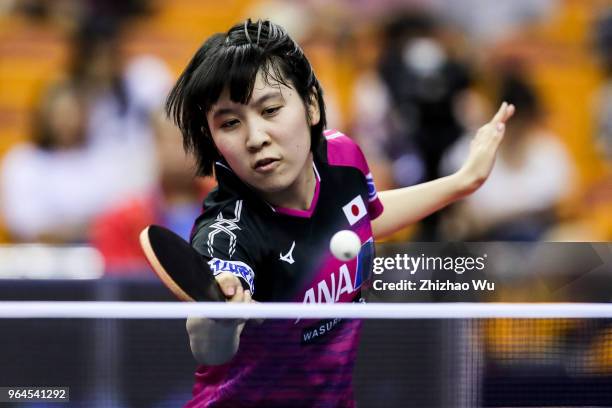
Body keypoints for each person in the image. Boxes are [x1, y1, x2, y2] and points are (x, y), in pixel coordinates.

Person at [166, 19, 514, 407]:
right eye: (230, 123)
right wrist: (218, 317)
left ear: (311, 105)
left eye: (271, 109)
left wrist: (462, 182)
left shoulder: (342, 159)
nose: (255, 137)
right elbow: (210, 345)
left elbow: (365, 217)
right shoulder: (227, 233)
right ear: (212, 138)